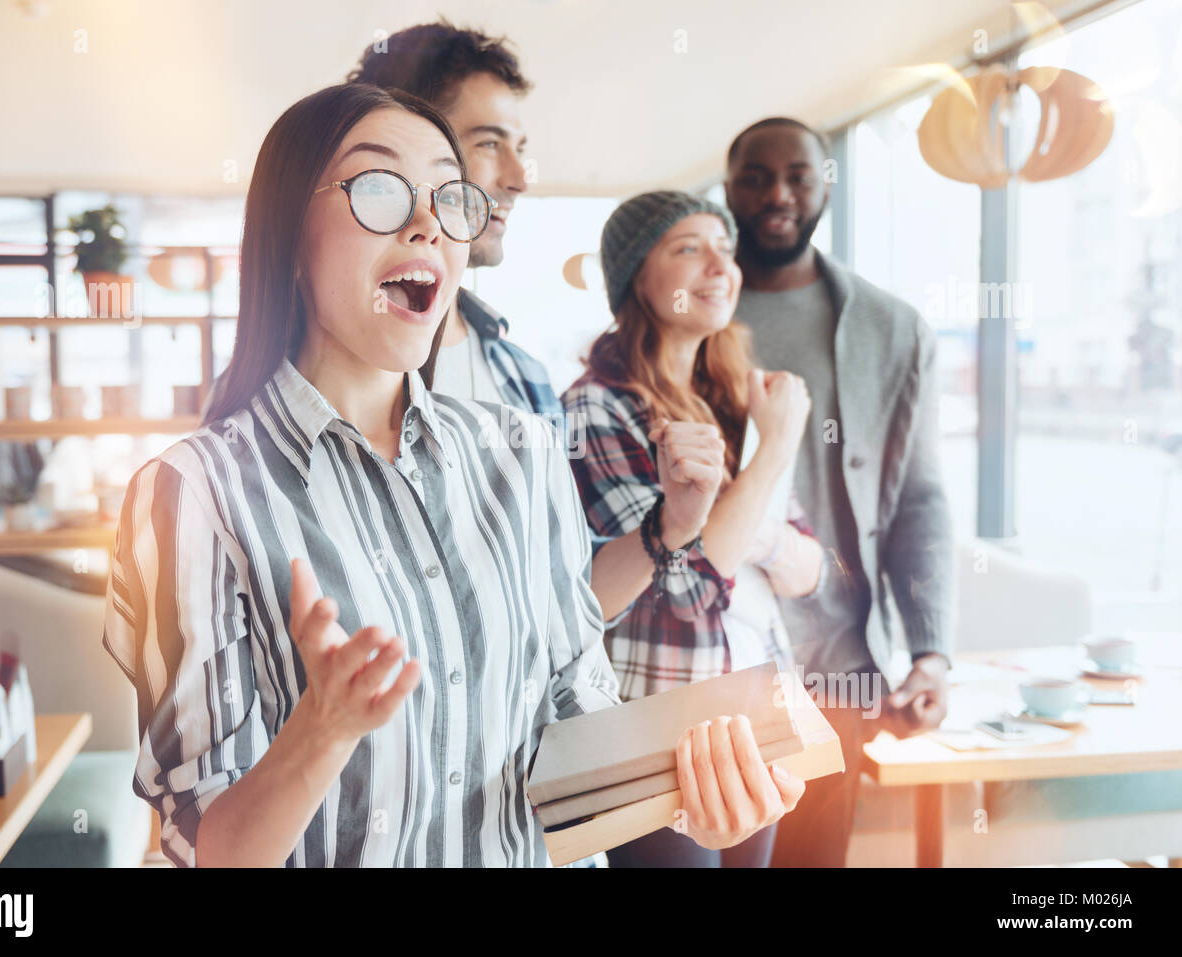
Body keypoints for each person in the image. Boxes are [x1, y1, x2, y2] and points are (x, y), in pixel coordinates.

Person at [100, 83, 804, 867]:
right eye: (378, 187)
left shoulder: (524, 453)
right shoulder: (191, 495)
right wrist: (320, 732)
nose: (427, 222)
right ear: (288, 238)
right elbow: (206, 847)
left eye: (448, 195)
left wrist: (695, 798)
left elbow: (577, 726)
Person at [347, 20, 672, 627]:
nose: (520, 178)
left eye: (517, 146)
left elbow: (567, 600)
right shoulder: (302, 383)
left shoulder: (522, 377)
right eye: (490, 143)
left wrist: (672, 524)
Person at [561, 191, 824, 867]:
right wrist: (776, 447)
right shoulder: (595, 407)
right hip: (661, 728)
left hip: (756, 711)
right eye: (688, 248)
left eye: (725, 248)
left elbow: (808, 571)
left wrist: (754, 530)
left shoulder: (739, 396)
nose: (720, 265)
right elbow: (689, 581)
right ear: (635, 281)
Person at [724, 117, 955, 867]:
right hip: (708, 672)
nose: (778, 193)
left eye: (799, 174)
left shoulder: (893, 330)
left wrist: (931, 651)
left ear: (828, 182)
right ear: (727, 187)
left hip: (837, 671)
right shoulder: (686, 314)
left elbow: (920, 500)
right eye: (755, 175)